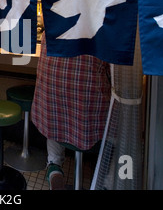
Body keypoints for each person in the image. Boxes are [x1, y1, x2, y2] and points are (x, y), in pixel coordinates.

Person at [31, 34, 111, 190]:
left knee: (54, 114)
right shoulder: (103, 31)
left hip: (52, 101)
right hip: (86, 113)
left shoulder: (53, 24)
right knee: (119, 117)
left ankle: (54, 166)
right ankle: (107, 178)